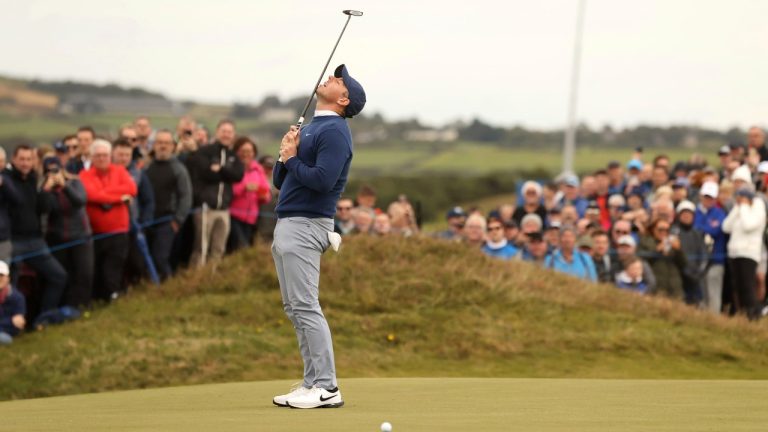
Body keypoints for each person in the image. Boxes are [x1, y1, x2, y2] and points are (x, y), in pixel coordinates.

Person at [271, 64, 365, 409]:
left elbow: (323, 180)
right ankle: (311, 382)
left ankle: (327, 386)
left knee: (306, 307)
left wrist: (293, 159)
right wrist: (285, 156)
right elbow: (282, 182)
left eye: (339, 80)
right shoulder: (312, 128)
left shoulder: (336, 131)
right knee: (294, 307)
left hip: (307, 225)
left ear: (343, 99)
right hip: (288, 222)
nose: (331, 78)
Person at [6, 144, 68, 314]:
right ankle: (12, 324)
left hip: (35, 240)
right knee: (10, 285)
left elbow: (44, 208)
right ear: (14, 160)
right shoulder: (6, 180)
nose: (25, 163)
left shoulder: (34, 179)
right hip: (13, 241)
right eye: (22, 159)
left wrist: (46, 190)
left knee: (58, 276)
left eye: (29, 159)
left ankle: (45, 317)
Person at [79, 139, 137, 302]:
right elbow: (91, 194)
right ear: (91, 157)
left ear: (110, 156)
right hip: (95, 232)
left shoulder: (120, 171)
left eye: (105, 155)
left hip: (119, 231)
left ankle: (112, 296)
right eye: (98, 155)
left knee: (115, 266)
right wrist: (118, 197)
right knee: (97, 267)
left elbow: (132, 189)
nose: (102, 158)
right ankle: (98, 299)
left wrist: (104, 194)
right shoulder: (85, 175)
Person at [185, 119, 245, 267]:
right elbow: (205, 173)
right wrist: (225, 174)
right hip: (205, 208)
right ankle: (196, 281)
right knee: (201, 249)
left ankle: (212, 282)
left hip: (224, 210)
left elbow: (238, 175)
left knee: (218, 249)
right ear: (217, 132)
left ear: (233, 135)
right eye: (224, 131)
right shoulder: (205, 151)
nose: (226, 135)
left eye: (229, 132)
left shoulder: (233, 156)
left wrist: (221, 169)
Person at [42, 157, 94, 309]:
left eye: (56, 170)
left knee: (84, 274)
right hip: (57, 239)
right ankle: (65, 309)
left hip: (81, 237)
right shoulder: (45, 190)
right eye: (49, 171)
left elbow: (80, 201)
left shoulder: (75, 182)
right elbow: (44, 209)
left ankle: (83, 306)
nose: (53, 174)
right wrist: (47, 190)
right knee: (65, 276)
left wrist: (64, 186)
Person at [144, 130, 193, 280]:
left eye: (166, 143)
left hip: (168, 221)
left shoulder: (178, 169)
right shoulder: (147, 168)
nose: (163, 146)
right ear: (154, 145)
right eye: (159, 143)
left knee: (160, 257)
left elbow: (186, 196)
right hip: (148, 221)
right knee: (148, 259)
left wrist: (177, 220)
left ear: (173, 146)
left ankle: (167, 288)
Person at [722, 187, 766, 320]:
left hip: (749, 254)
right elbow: (726, 227)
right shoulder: (740, 210)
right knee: (738, 288)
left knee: (747, 287)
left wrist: (744, 206)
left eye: (742, 197)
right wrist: (737, 208)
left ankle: (754, 316)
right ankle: (743, 316)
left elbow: (748, 225)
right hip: (735, 253)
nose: (739, 200)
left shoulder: (758, 210)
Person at [228, 136, 271, 252]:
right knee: (241, 247)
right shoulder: (232, 168)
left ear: (254, 153)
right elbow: (228, 191)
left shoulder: (258, 169)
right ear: (236, 152)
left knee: (245, 248)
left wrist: (262, 195)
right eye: (243, 151)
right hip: (234, 215)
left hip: (251, 218)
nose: (246, 154)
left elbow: (266, 192)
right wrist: (244, 188)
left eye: (249, 151)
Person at [694, 181, 727, 313]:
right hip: (697, 260)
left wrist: (703, 229)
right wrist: (707, 228)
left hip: (716, 260)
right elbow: (694, 230)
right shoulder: (695, 211)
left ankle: (714, 321)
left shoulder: (720, 213)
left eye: (711, 197)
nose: (708, 200)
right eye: (706, 196)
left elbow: (716, 230)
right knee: (700, 293)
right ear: (701, 196)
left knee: (714, 293)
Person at [638, 218, 687, 300]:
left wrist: (679, 250)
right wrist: (657, 250)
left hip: (674, 288)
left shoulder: (673, 242)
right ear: (653, 229)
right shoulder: (645, 241)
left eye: (667, 230)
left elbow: (684, 264)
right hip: (656, 288)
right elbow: (640, 260)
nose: (664, 232)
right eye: (660, 229)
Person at [673, 200, 708, 305]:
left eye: (689, 214)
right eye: (684, 214)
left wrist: (699, 271)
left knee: (696, 302)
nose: (686, 216)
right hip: (679, 275)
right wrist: (685, 271)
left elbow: (703, 254)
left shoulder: (697, 233)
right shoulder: (674, 232)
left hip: (695, 276)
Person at [0, 261, 25, 345]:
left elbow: (18, 324)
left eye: (1, 275)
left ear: (8, 278)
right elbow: (13, 322)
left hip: (5, 334)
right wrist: (10, 321)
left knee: (5, 339)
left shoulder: (17, 297)